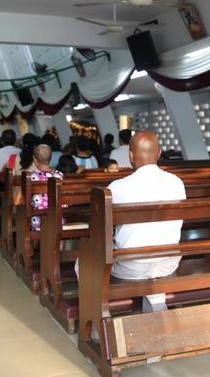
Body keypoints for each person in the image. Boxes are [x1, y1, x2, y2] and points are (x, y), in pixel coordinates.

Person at [75, 131, 186, 312]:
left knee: (84, 259)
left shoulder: (116, 187)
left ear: (131, 156)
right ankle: (157, 309)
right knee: (151, 259)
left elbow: (100, 230)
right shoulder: (177, 182)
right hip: (169, 261)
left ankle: (98, 316)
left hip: (131, 267)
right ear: (159, 153)